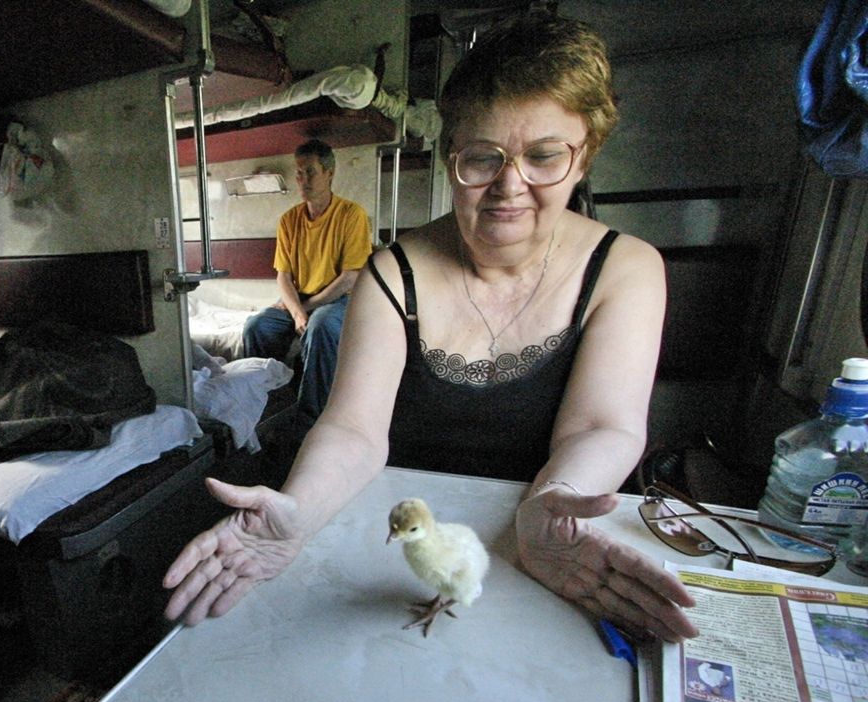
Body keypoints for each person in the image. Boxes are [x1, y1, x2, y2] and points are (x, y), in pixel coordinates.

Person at [163, 12, 698, 643]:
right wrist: (300, 510)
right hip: (401, 558)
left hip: (551, 555)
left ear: (584, 158)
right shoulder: (393, 273)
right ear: (451, 157)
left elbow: (599, 426)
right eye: (483, 158)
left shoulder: (626, 268)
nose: (510, 186)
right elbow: (354, 429)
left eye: (544, 157)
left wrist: (551, 506)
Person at [242, 139, 372, 425]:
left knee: (321, 324)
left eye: (310, 172)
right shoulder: (289, 220)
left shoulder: (352, 215)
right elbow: (283, 276)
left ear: (329, 173)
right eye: (299, 174)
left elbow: (350, 277)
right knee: (256, 327)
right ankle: (264, 403)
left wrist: (304, 310)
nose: (303, 180)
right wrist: (295, 309)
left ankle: (311, 417)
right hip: (300, 299)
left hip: (339, 299)